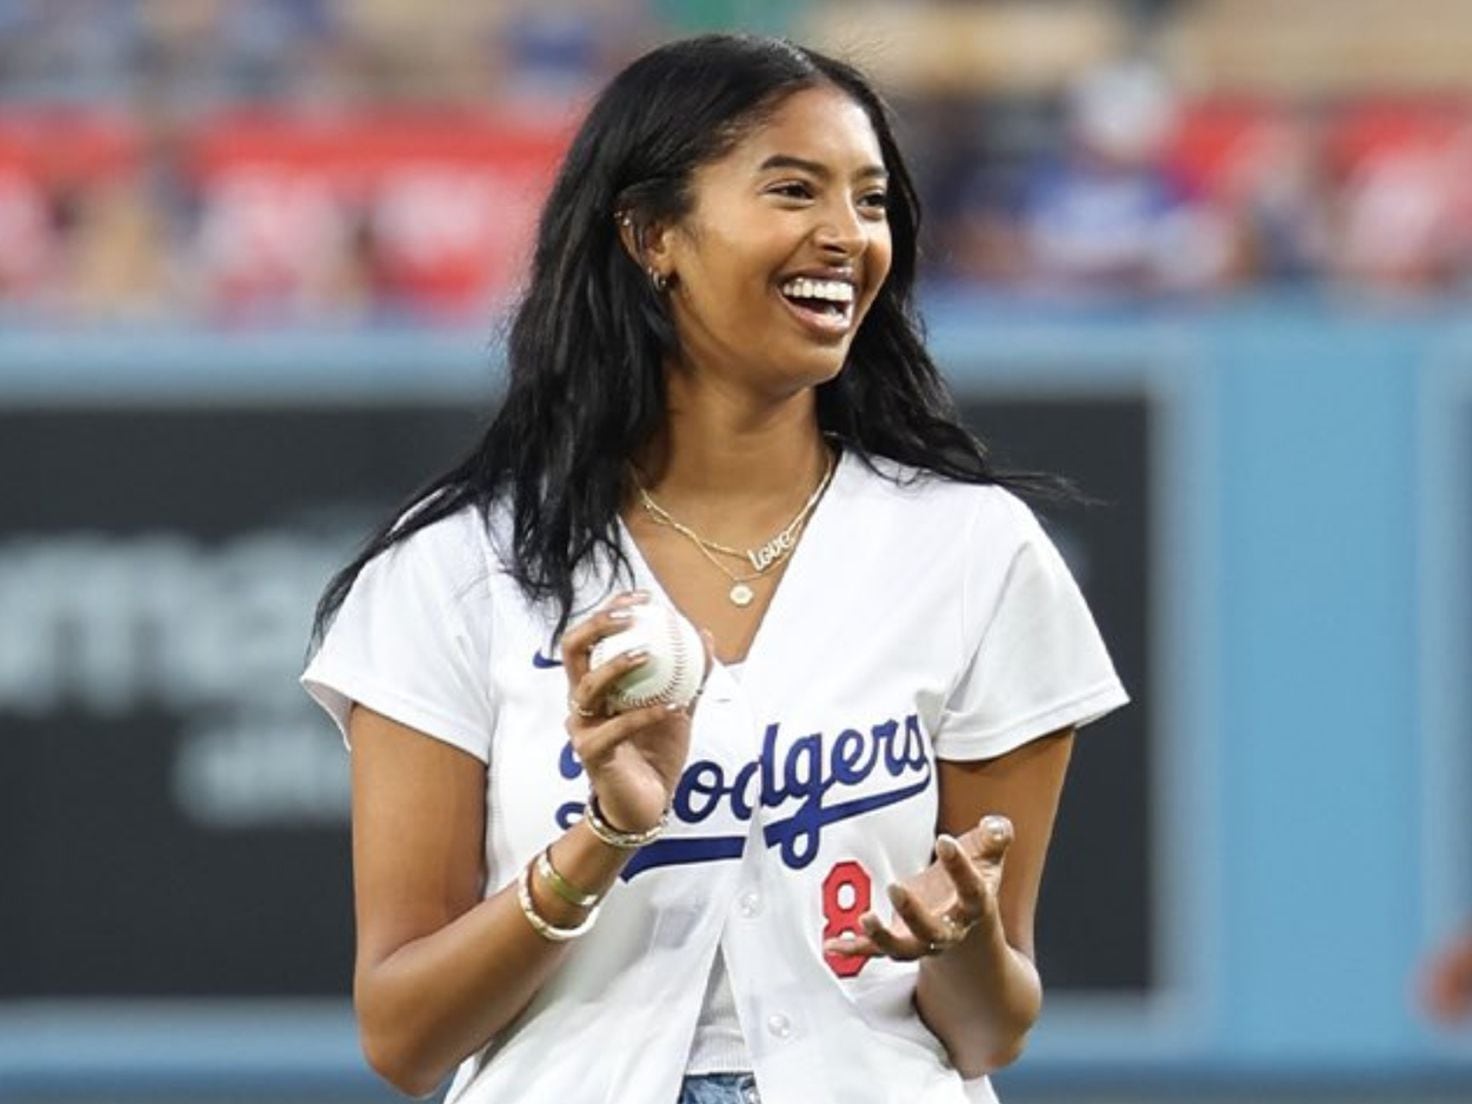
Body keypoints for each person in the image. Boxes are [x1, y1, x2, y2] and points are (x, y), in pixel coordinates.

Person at [302, 34, 1128, 1104]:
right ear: (651, 234)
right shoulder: (457, 566)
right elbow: (403, 1038)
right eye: (793, 190)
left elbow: (988, 1030)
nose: (844, 236)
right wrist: (601, 840)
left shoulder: (973, 548)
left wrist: (956, 939)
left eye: (869, 201)